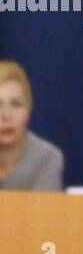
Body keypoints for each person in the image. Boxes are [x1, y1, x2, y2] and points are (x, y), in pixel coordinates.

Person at [0, 60, 64, 192]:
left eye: (16, 104)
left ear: (28, 112)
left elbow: (44, 212)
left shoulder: (46, 158)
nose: (6, 116)